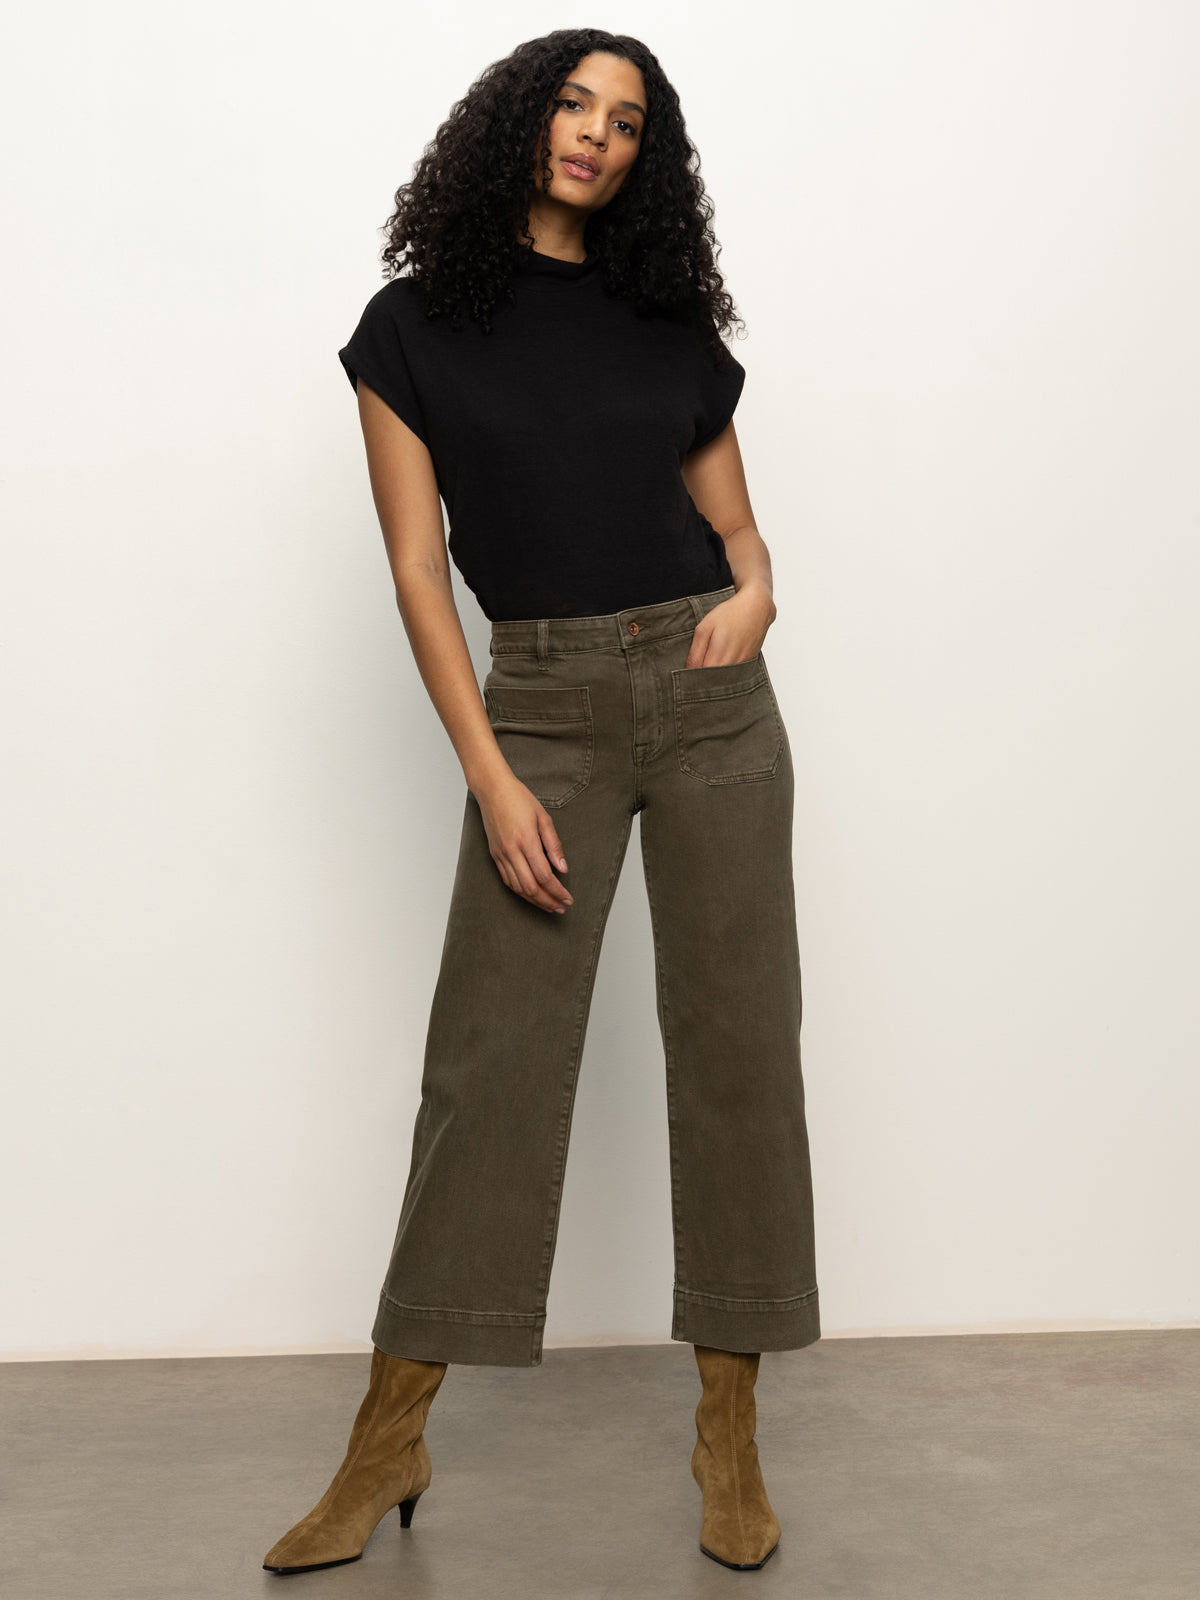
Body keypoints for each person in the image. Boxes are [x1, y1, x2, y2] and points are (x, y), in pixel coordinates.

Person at [263, 27, 819, 1578]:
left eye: (626, 121)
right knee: (488, 1072)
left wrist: (757, 593)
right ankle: (387, 1439)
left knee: (739, 1058)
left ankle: (728, 1433)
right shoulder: (412, 329)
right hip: (546, 708)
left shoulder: (664, 318)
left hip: (710, 700)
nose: (594, 134)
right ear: (518, 119)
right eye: (573, 104)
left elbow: (740, 531)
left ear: (647, 158)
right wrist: (493, 773)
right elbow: (416, 571)